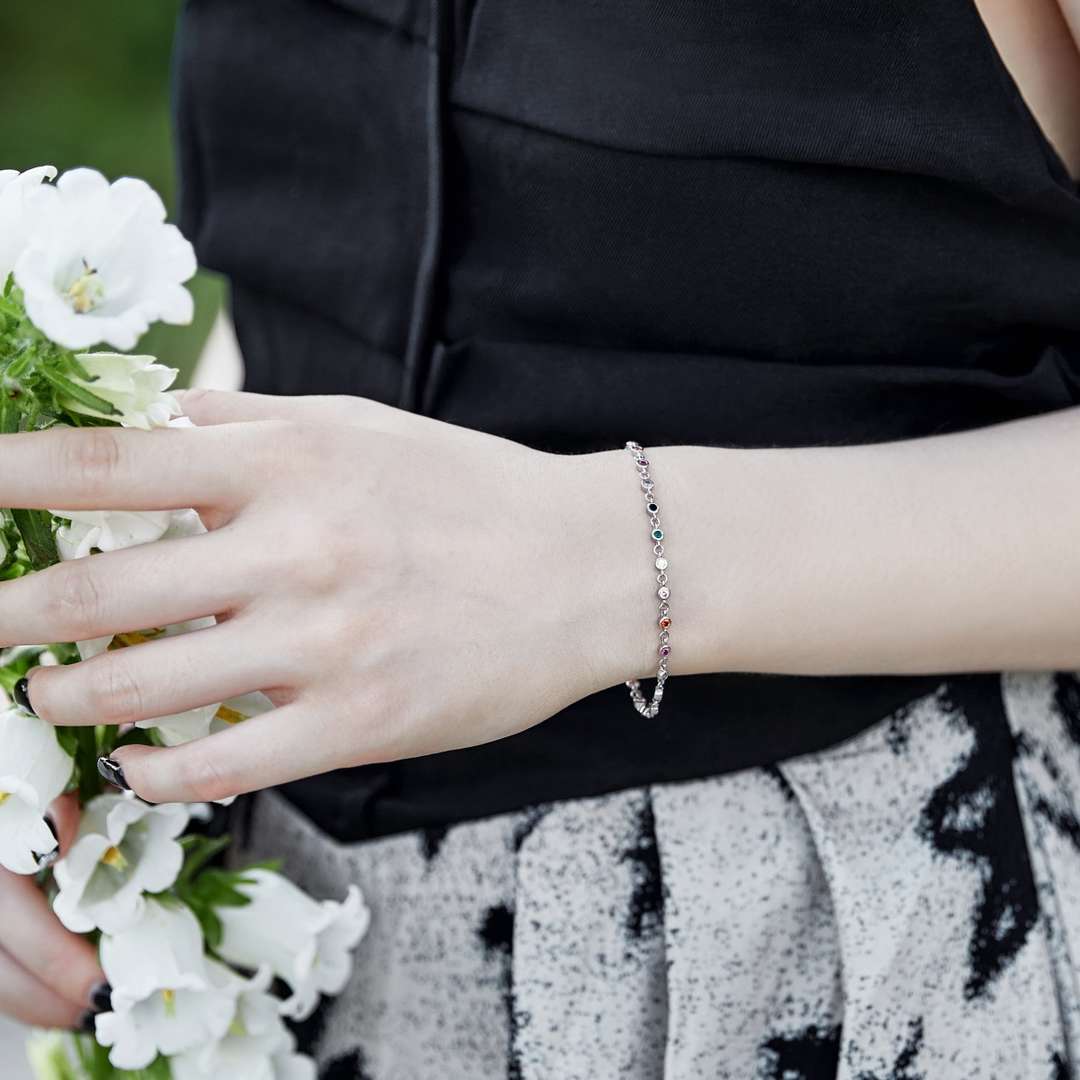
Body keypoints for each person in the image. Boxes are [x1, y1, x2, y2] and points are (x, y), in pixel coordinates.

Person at [3, 0, 1080, 1075]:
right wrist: (73, 721)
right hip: (289, 928)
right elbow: (312, 264)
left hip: (853, 934)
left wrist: (602, 565)